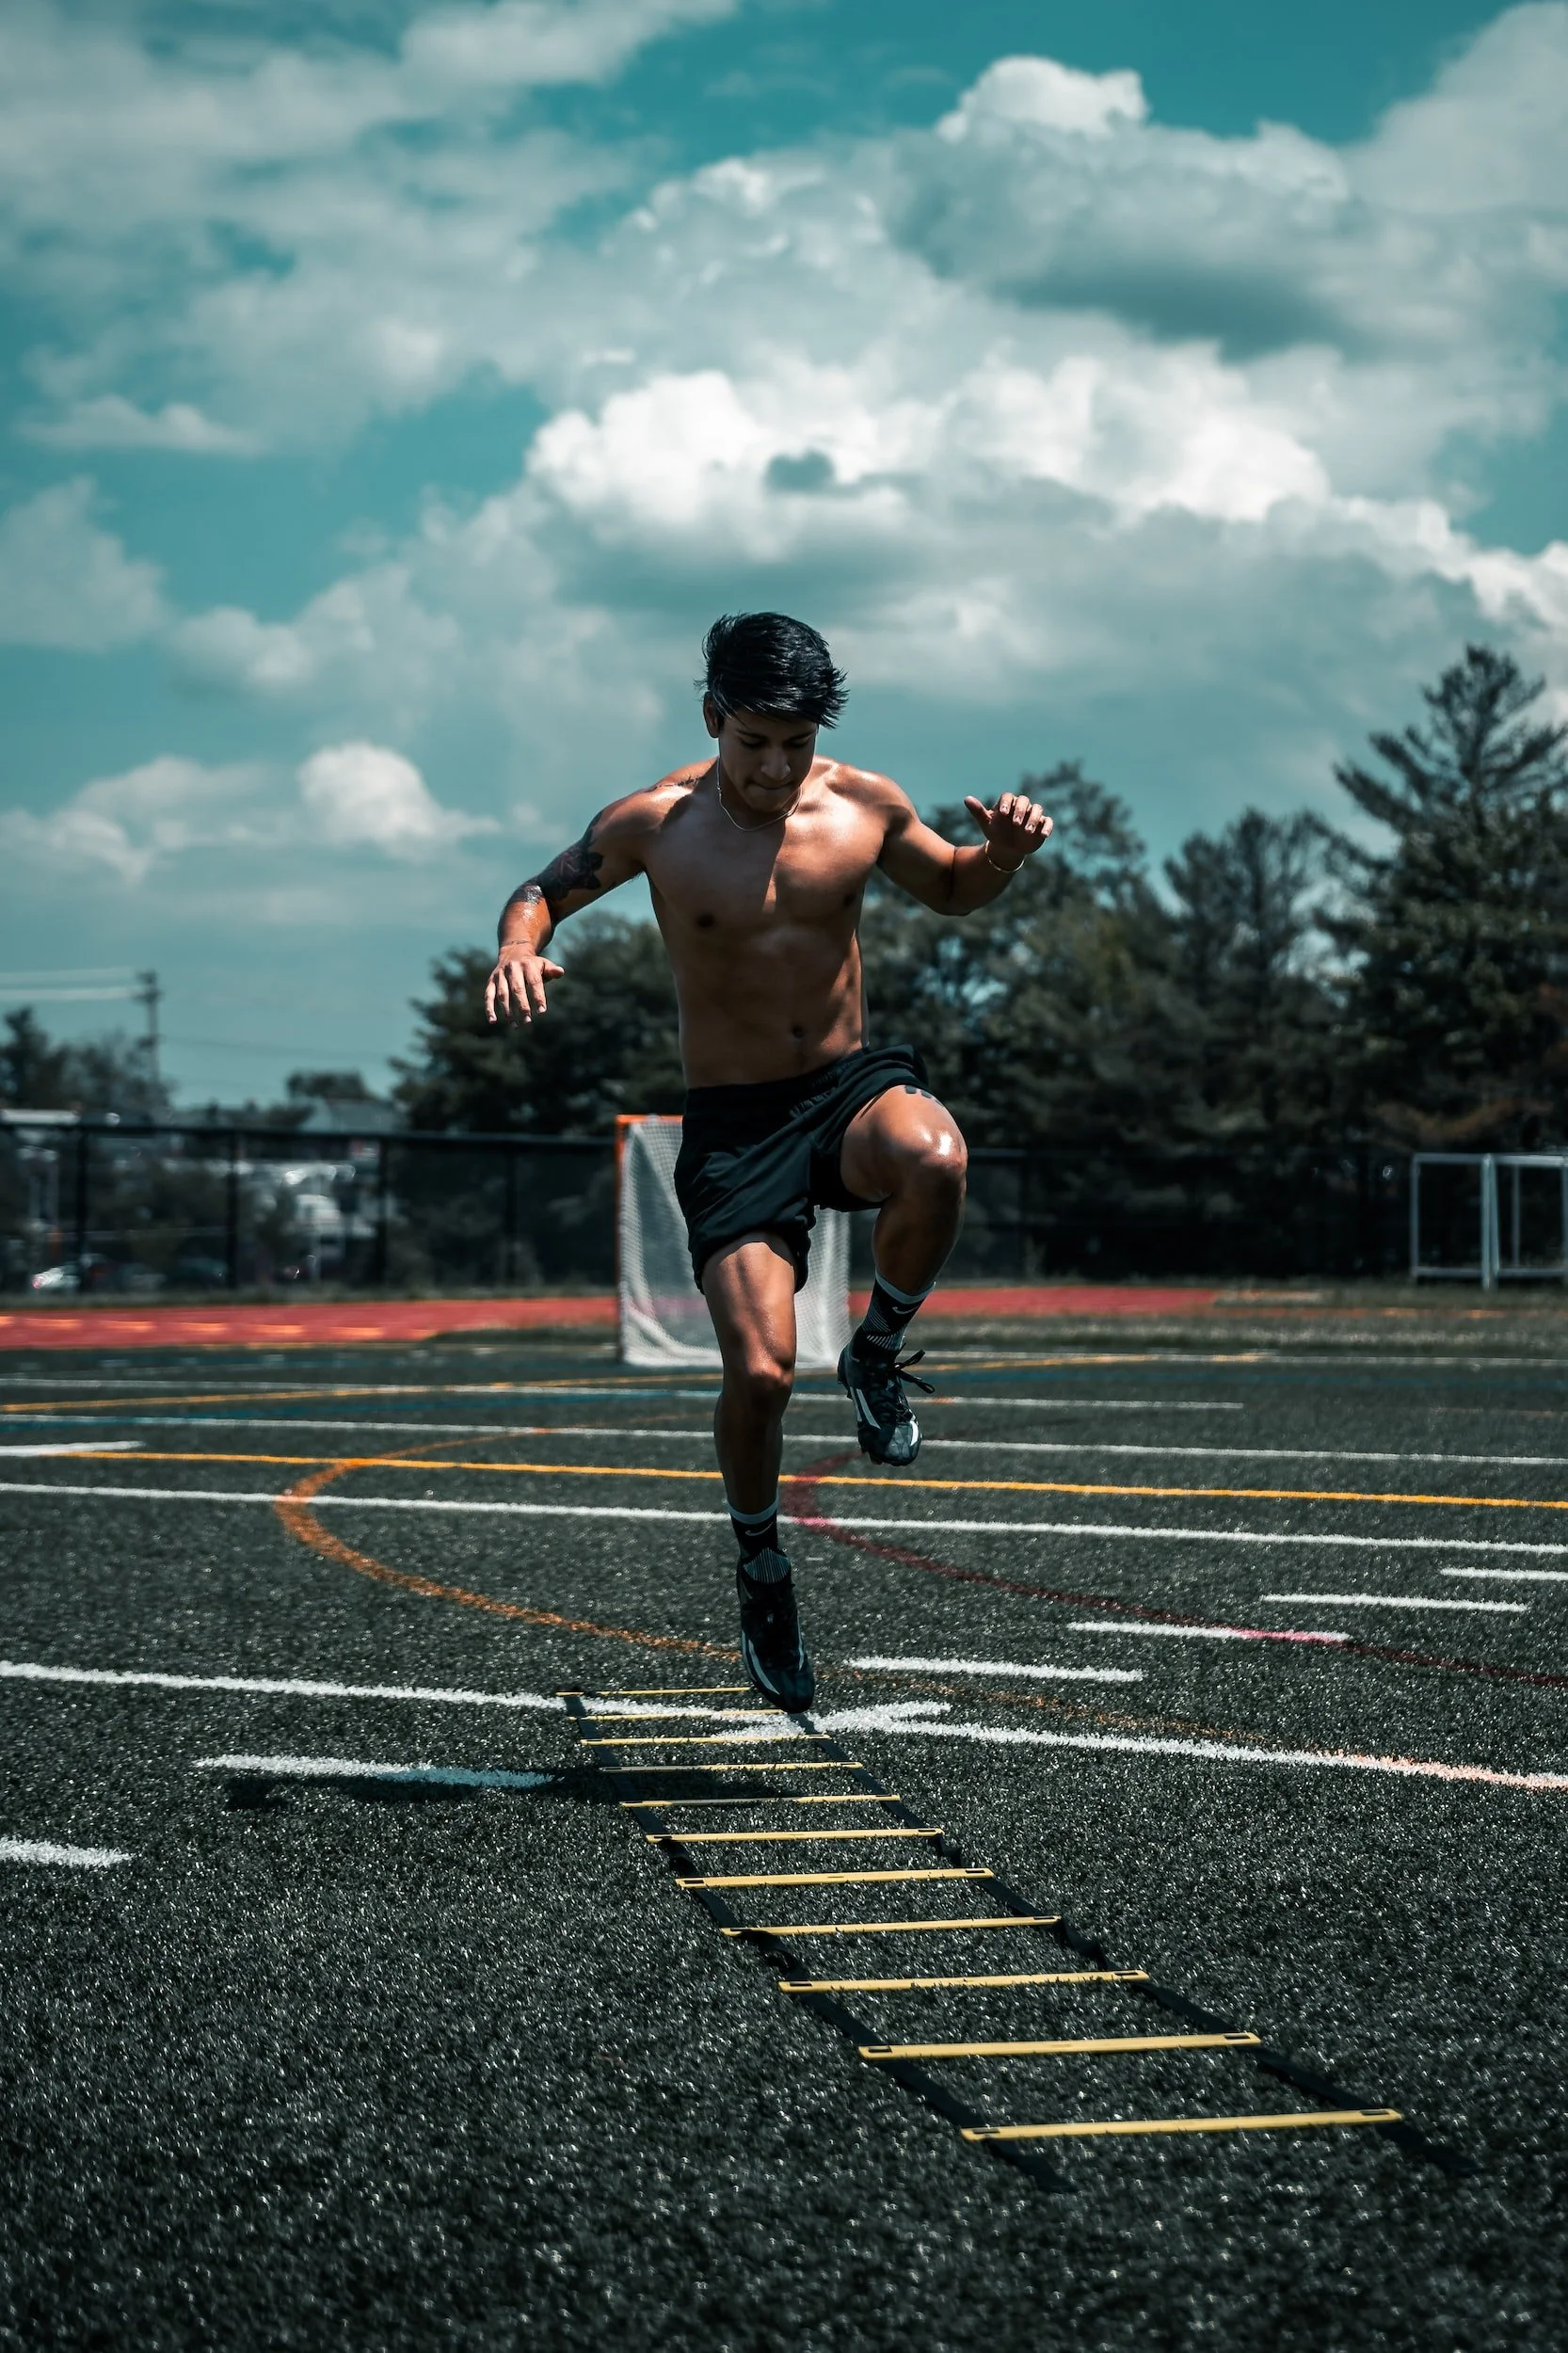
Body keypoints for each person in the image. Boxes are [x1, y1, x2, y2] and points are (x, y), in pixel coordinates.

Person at [485, 613, 1051, 1712]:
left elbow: (949, 885)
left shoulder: (865, 803)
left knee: (936, 1154)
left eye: (794, 744)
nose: (775, 768)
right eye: (753, 743)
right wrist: (519, 951)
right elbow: (541, 891)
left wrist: (1006, 860)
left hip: (848, 1089)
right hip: (737, 1126)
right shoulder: (653, 822)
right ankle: (760, 1560)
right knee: (759, 1373)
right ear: (714, 721)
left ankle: (878, 1354)